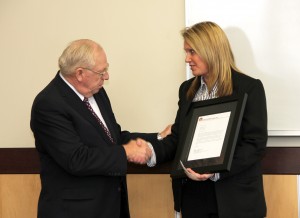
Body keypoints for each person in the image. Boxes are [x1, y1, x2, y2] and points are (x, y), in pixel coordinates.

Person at [30, 39, 169, 218]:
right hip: (74, 212)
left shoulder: (97, 92)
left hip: (110, 207)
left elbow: (114, 138)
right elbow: (76, 159)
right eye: (101, 72)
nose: (107, 76)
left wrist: (158, 137)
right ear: (79, 73)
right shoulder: (48, 104)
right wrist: (125, 152)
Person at [148, 21, 268, 218]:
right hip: (194, 198)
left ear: (211, 50)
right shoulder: (186, 90)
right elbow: (179, 137)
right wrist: (151, 151)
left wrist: (216, 171)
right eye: (186, 52)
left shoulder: (249, 88)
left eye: (192, 51)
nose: (187, 59)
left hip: (236, 198)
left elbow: (254, 144)